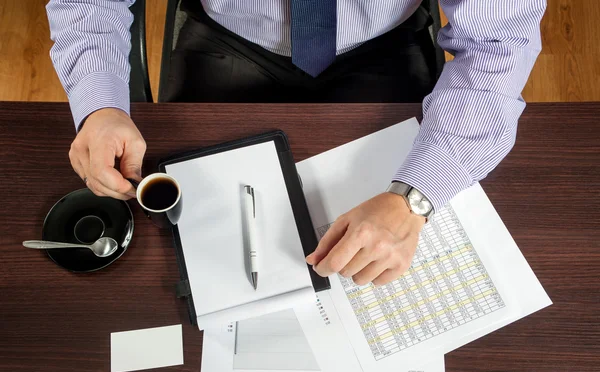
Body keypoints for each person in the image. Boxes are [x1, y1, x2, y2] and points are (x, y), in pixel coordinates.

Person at [46, 0, 546, 286]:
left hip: (384, 44)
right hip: (229, 37)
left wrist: (415, 199)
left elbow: (500, 43)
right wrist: (99, 104)